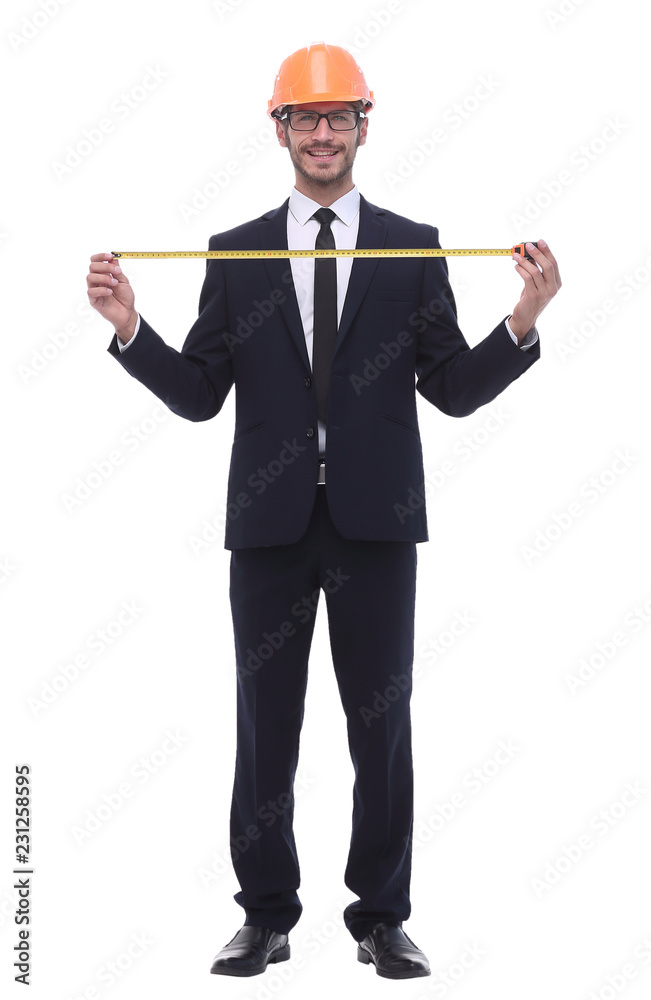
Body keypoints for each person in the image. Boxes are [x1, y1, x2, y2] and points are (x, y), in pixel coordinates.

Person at [86, 41, 560, 980]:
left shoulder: (411, 247)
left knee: (381, 727)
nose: (321, 133)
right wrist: (131, 329)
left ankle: (380, 917)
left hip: (375, 526)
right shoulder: (235, 253)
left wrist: (522, 320)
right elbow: (199, 395)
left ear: (361, 126)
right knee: (265, 724)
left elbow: (452, 390)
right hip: (269, 528)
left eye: (337, 116)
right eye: (304, 117)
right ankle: (265, 916)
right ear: (280, 130)